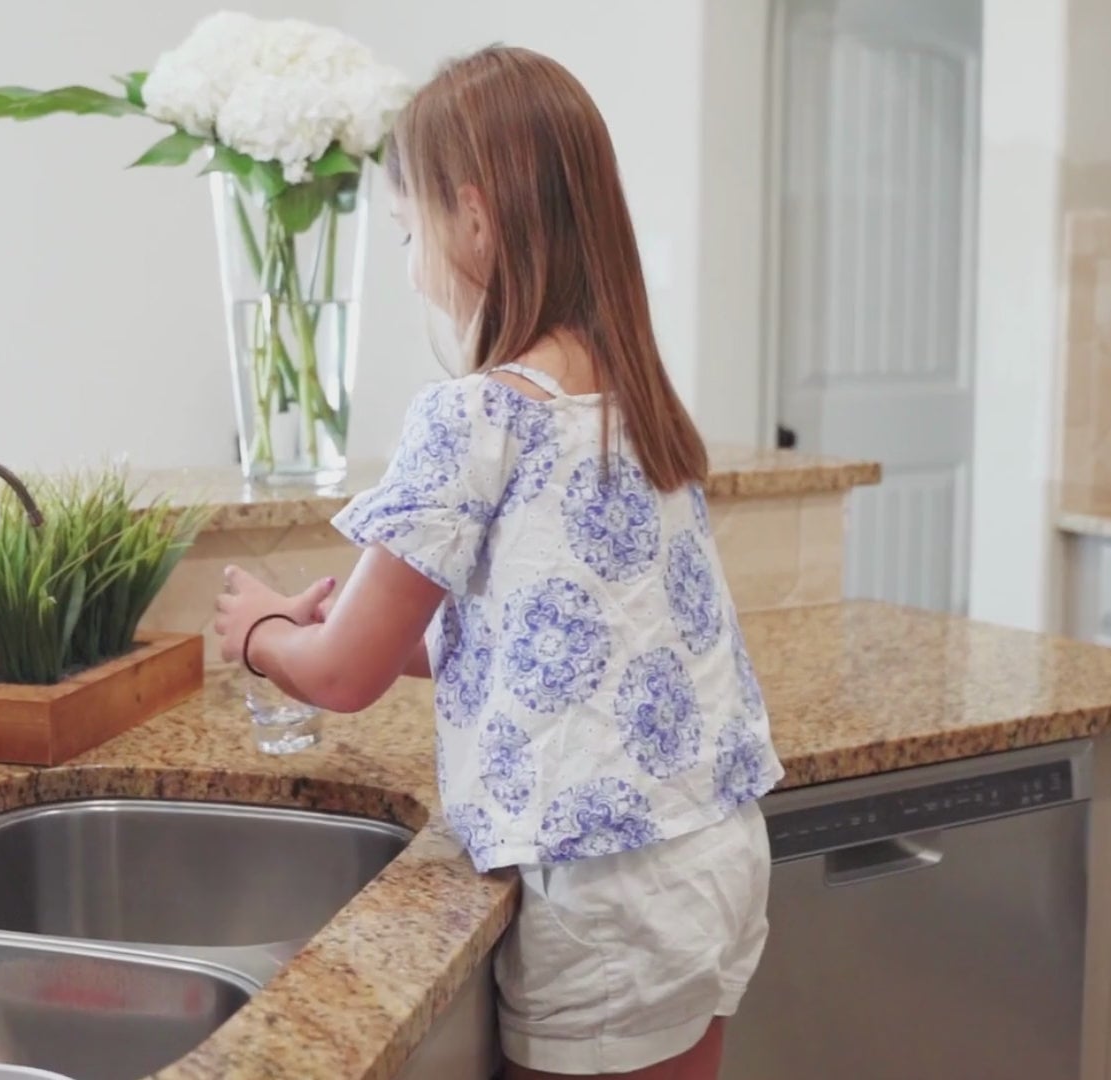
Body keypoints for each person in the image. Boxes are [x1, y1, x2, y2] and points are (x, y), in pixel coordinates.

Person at [213, 45, 780, 1080]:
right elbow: (561, 629)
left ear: (473, 217)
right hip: (713, 852)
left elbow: (344, 675)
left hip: (606, 889)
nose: (411, 256)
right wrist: (380, 633)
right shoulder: (632, 399)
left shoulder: (474, 414)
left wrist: (260, 632)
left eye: (408, 228)